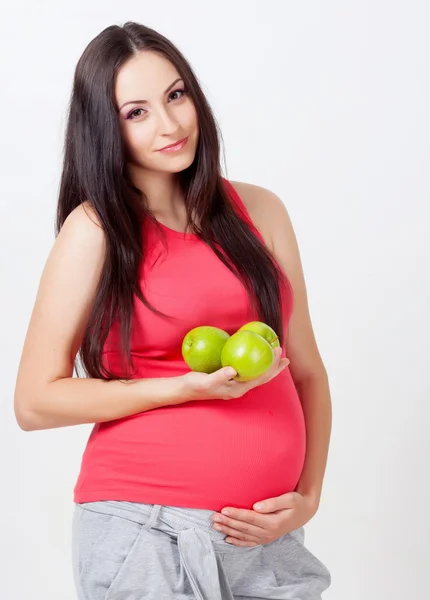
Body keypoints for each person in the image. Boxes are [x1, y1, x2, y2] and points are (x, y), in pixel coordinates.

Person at [14, 21, 332, 600]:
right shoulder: (94, 231)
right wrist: (179, 389)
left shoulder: (261, 210)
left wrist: (308, 497)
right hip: (148, 531)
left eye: (175, 95)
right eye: (136, 112)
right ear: (104, 128)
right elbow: (35, 401)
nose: (169, 124)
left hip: (266, 539)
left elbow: (306, 368)